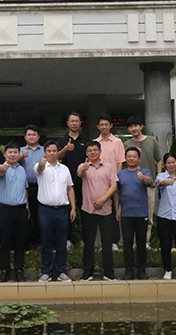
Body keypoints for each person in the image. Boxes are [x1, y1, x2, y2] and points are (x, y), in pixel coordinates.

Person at [36, 140, 76, 283]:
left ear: (58, 153)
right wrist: (42, 164)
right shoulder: (40, 166)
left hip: (62, 210)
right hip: (45, 210)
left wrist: (73, 208)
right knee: (46, 242)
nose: (52, 153)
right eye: (49, 151)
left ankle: (61, 271)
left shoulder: (64, 169)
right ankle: (46, 272)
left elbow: (70, 188)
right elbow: (39, 169)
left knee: (61, 242)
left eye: (54, 151)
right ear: (45, 153)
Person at [77, 141, 118, 281]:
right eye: (89, 150)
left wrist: (103, 199)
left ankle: (109, 272)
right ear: (86, 153)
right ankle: (87, 272)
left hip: (106, 210)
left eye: (95, 150)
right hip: (88, 210)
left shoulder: (109, 166)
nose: (92, 152)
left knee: (107, 243)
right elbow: (80, 173)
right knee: (89, 243)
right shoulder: (83, 166)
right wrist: (84, 168)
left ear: (100, 151)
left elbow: (114, 186)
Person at [113, 147, 152, 280]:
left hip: (141, 213)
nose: (131, 159)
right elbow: (117, 193)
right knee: (127, 244)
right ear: (125, 158)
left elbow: (149, 182)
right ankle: (128, 270)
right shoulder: (120, 174)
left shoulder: (144, 171)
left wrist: (143, 178)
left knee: (141, 243)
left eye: (134, 156)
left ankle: (141, 270)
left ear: (139, 158)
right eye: (129, 156)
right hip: (126, 213)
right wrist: (117, 210)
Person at [124, 116, 162, 248]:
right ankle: (134, 243)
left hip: (149, 184)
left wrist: (158, 175)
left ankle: (145, 242)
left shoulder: (152, 141)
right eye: (130, 126)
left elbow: (159, 159)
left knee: (148, 214)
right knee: (133, 215)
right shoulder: (126, 144)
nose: (133, 128)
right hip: (132, 186)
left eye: (136, 125)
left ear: (141, 126)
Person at [0, 141, 29, 282]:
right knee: (5, 242)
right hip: (5, 210)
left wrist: (27, 208)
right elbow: (1, 172)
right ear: (5, 154)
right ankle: (5, 270)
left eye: (15, 152)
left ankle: (19, 270)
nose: (13, 155)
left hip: (21, 210)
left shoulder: (22, 170)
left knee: (20, 242)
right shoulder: (0, 168)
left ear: (19, 154)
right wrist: (5, 166)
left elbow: (25, 189)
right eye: (10, 152)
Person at [56, 112, 89, 244]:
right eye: (72, 121)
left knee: (84, 210)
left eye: (77, 121)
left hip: (84, 180)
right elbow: (57, 157)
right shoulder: (62, 140)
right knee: (67, 210)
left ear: (80, 123)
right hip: (65, 182)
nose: (74, 123)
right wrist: (65, 149)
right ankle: (68, 240)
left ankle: (84, 239)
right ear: (68, 123)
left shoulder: (86, 140)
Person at [94, 114, 125, 249]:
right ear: (98, 127)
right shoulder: (95, 142)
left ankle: (114, 241)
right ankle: (103, 242)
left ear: (111, 125)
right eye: (101, 124)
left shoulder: (117, 142)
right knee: (101, 213)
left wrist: (116, 180)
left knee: (114, 211)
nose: (104, 127)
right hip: (99, 182)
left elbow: (120, 162)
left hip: (113, 182)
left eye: (106, 124)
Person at [20, 124, 44, 248]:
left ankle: (39, 241)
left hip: (41, 187)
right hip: (24, 188)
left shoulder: (45, 150)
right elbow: (11, 162)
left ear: (38, 136)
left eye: (34, 134)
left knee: (39, 213)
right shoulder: (20, 150)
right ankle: (27, 241)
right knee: (26, 214)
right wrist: (21, 157)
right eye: (29, 135)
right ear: (25, 137)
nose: (31, 137)